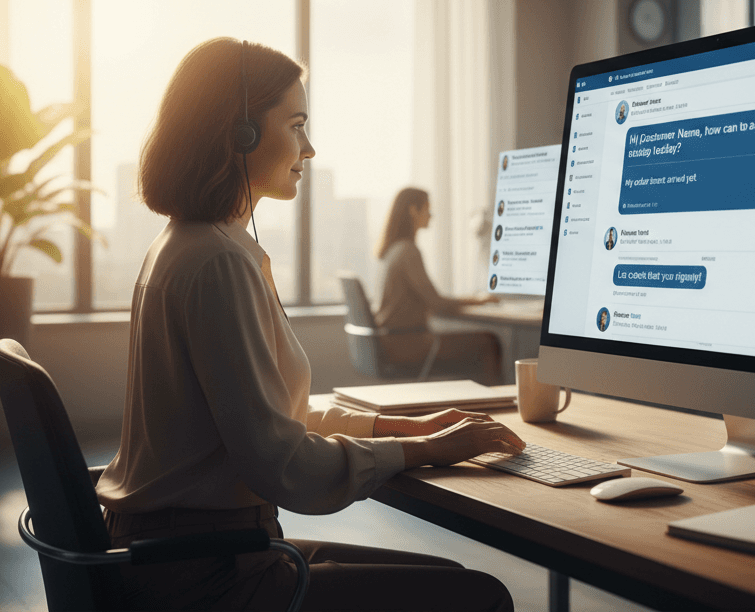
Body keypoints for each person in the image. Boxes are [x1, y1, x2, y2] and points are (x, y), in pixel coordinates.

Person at [98, 37, 523, 612]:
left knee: (451, 578)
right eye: (296, 125)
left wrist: (400, 428)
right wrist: (426, 452)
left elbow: (270, 418)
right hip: (208, 574)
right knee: (478, 597)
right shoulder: (217, 261)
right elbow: (285, 465)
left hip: (190, 551)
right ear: (240, 133)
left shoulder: (192, 245)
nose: (310, 147)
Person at [374, 187, 505, 386]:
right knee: (488, 342)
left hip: (392, 342)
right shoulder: (408, 251)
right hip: (407, 344)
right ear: (413, 210)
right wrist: (478, 300)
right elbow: (437, 303)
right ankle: (493, 404)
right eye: (427, 208)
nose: (431, 214)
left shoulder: (392, 250)